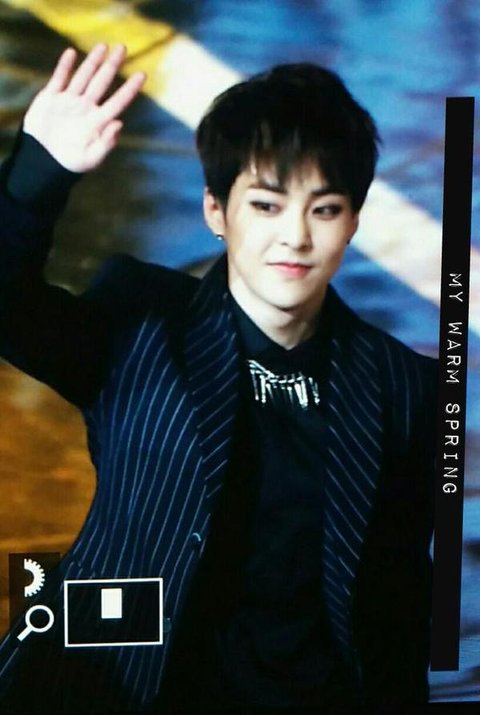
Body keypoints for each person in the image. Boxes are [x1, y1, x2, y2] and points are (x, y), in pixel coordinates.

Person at [0, 44, 437, 713]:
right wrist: (38, 174)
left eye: (323, 209)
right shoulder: (142, 324)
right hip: (117, 693)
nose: (294, 237)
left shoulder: (403, 389)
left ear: (353, 220)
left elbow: (397, 607)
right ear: (216, 209)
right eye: (266, 205)